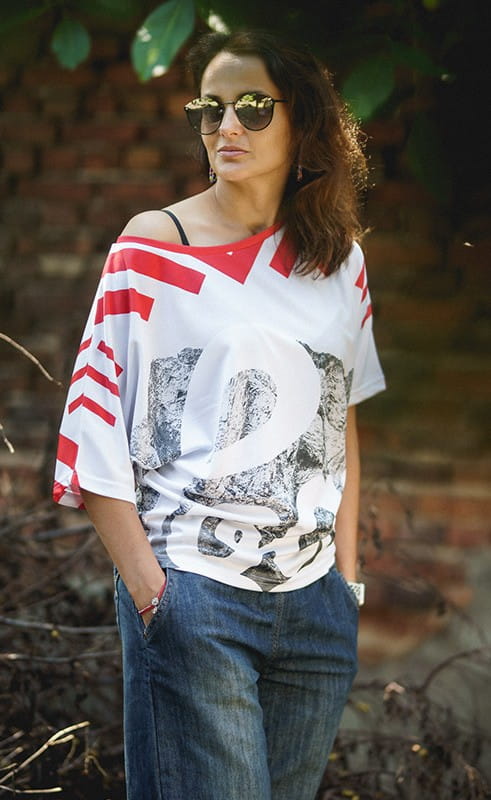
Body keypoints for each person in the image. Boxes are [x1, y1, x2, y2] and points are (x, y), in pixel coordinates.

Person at [53, 29, 385, 800]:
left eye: (252, 107)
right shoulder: (152, 247)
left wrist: (346, 583)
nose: (226, 126)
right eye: (210, 108)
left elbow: (339, 420)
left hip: (314, 607)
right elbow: (91, 427)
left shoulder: (340, 262)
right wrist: (153, 595)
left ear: (302, 121)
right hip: (193, 593)